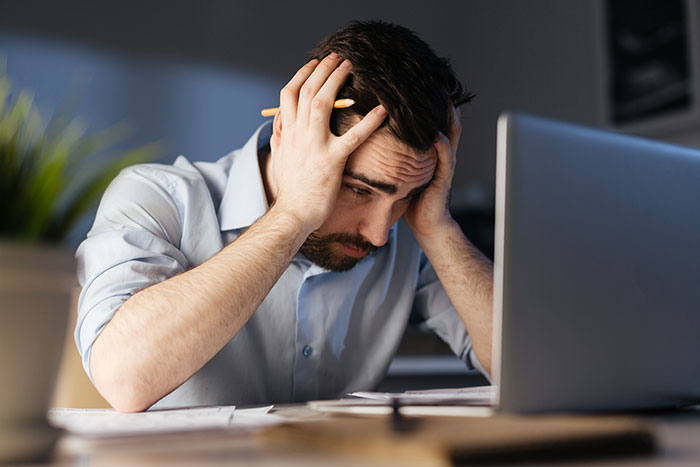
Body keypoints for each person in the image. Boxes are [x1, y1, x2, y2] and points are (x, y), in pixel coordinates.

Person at [75, 20, 494, 413]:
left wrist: (438, 229)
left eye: (407, 196)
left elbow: (532, 367)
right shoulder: (157, 199)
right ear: (287, 134)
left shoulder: (407, 232)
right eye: (360, 189)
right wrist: (294, 214)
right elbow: (123, 377)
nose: (380, 233)